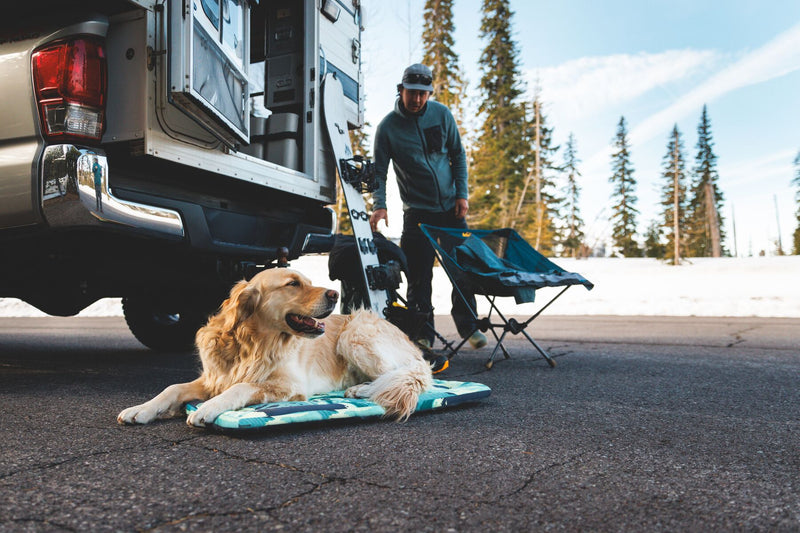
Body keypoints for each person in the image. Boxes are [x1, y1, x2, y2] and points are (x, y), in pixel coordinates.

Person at [370, 63, 487, 358]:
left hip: (451, 209)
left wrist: (462, 194)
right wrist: (380, 205)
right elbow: (379, 172)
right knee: (419, 277)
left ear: (429, 93)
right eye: (413, 93)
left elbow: (458, 155)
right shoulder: (387, 128)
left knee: (462, 268)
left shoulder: (441, 115)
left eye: (424, 94)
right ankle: (422, 335)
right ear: (401, 90)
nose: (418, 99)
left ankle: (468, 325)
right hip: (417, 214)